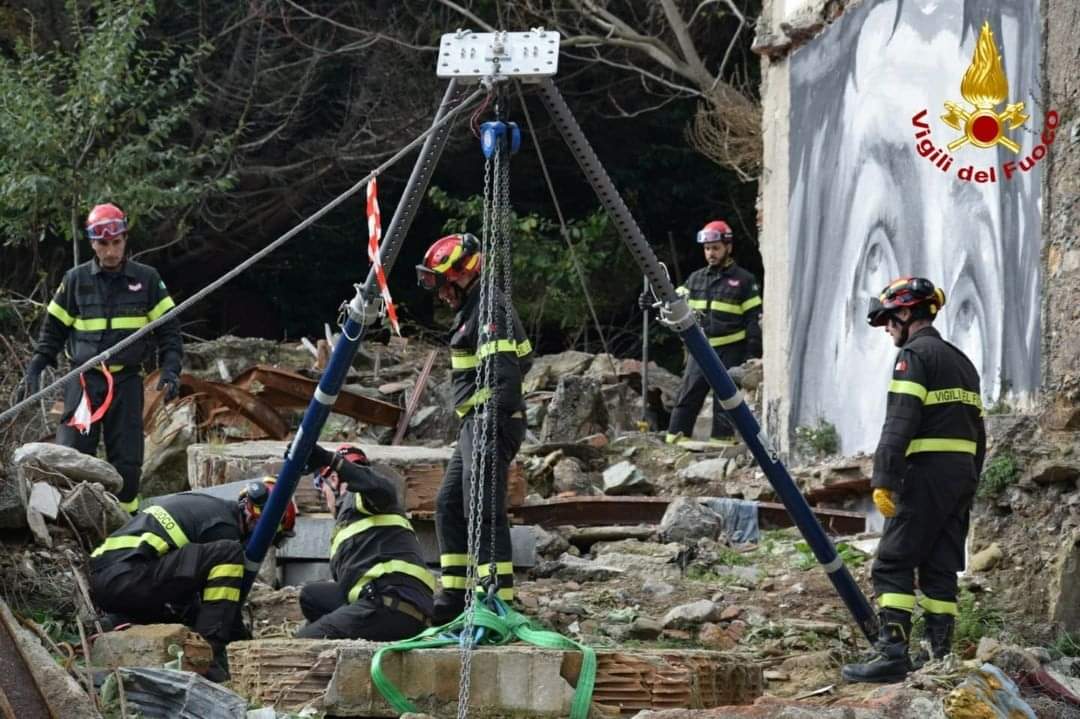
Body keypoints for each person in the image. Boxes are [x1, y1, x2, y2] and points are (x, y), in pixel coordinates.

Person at [842, 277, 985, 683]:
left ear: (906, 313)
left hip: (924, 474)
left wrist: (884, 477)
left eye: (889, 320)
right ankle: (939, 657)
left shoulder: (914, 356)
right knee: (939, 564)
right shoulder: (962, 362)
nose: (887, 330)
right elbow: (980, 431)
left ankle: (892, 654)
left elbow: (900, 419)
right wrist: (971, 479)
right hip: (960, 476)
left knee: (892, 562)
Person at [21, 203, 183, 513]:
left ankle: (126, 525)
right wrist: (36, 367)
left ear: (125, 239)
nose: (110, 251)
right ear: (92, 243)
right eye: (103, 244)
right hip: (84, 382)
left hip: (126, 381)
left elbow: (169, 332)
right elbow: (52, 331)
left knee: (128, 460)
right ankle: (70, 529)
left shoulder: (146, 279)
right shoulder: (75, 280)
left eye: (116, 243)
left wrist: (171, 369)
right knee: (72, 455)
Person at [416, 233, 533, 624]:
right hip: (475, 423)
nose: (441, 294)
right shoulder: (472, 309)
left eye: (443, 283)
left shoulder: (489, 311)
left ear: (461, 275)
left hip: (491, 421)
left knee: (482, 507)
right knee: (450, 504)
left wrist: (487, 423)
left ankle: (496, 599)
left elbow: (506, 379)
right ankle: (456, 593)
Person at [89, 479, 297, 680]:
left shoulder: (209, 510)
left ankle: (117, 623)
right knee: (230, 554)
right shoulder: (224, 530)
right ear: (257, 522)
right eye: (273, 541)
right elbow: (223, 607)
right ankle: (208, 655)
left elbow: (186, 589)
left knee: (186, 615)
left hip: (112, 580)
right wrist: (240, 645)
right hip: (130, 575)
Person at [295, 444, 435, 639]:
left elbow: (380, 487)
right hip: (387, 600)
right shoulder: (352, 521)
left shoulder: (363, 498)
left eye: (321, 488)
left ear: (333, 479)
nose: (323, 497)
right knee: (311, 596)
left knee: (304, 643)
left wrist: (331, 460)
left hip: (391, 604)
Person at [644, 220, 761, 445]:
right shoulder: (695, 278)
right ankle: (675, 440)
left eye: (715, 248)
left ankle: (722, 443)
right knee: (688, 394)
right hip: (701, 347)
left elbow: (753, 320)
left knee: (725, 400)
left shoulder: (744, 280)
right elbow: (672, 303)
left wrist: (751, 354)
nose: (711, 253)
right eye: (707, 249)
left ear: (728, 247)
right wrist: (652, 302)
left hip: (732, 350)